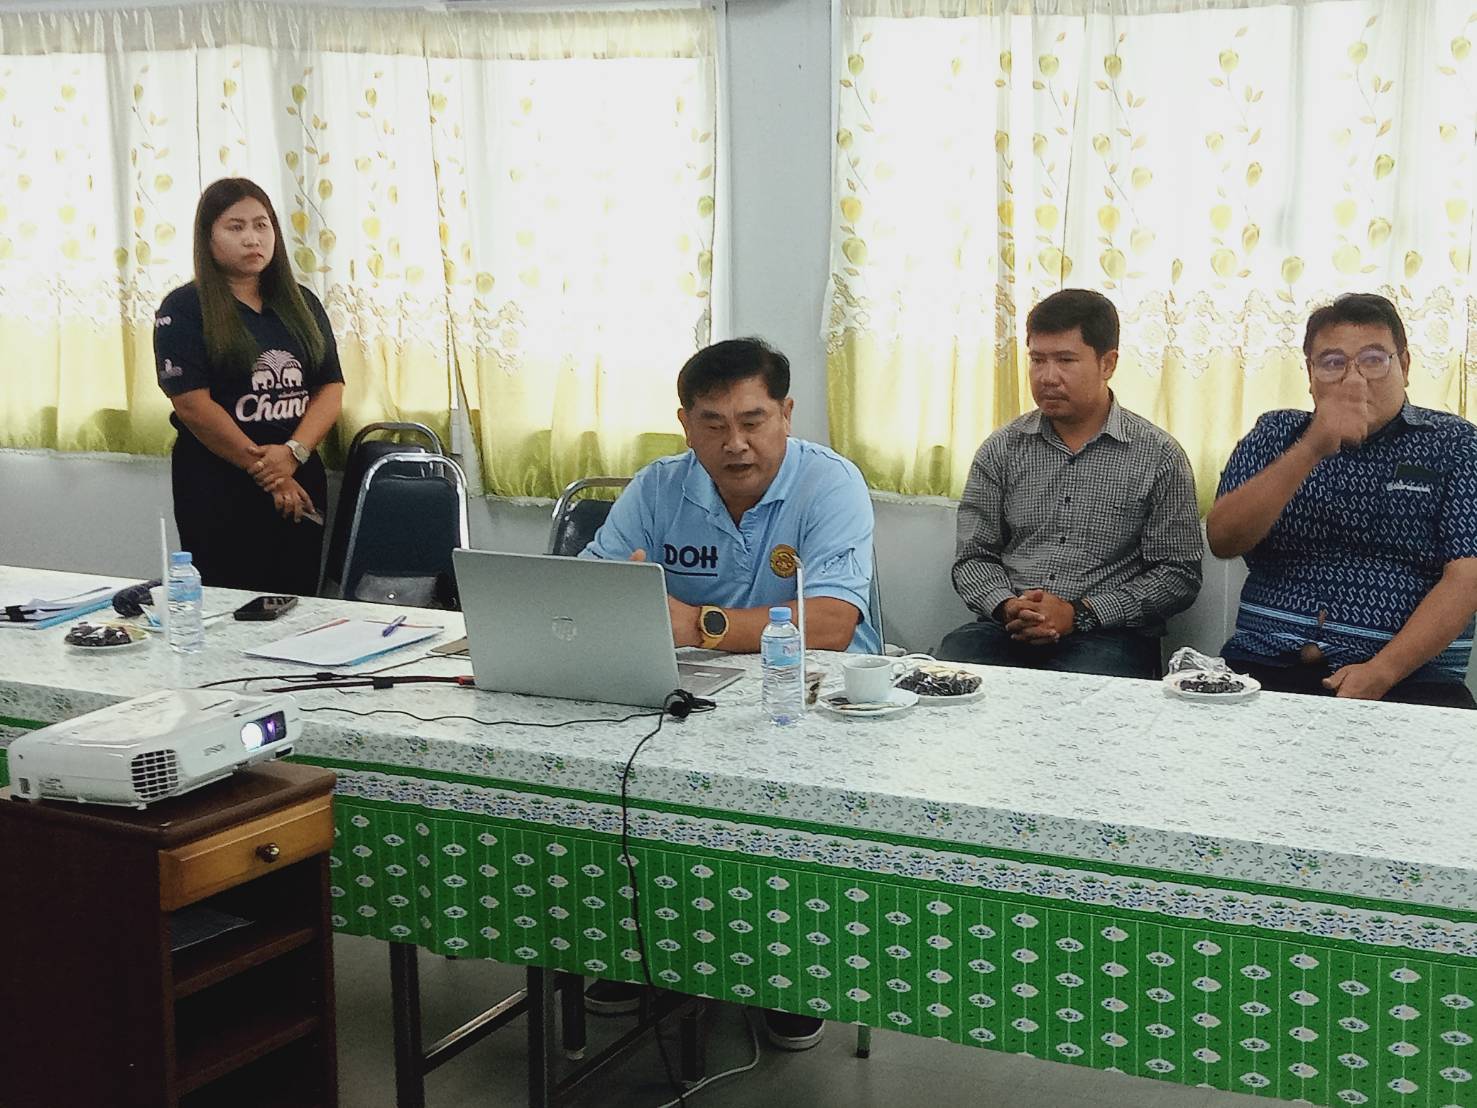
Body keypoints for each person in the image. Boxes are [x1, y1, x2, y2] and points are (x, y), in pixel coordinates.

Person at [579, 337, 878, 1051]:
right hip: (684, 689)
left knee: (788, 797)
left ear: (786, 414)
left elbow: (832, 624)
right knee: (614, 774)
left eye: (752, 421)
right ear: (685, 424)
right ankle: (647, 948)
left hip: (812, 693)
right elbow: (589, 589)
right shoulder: (658, 487)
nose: (735, 443)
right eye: (713, 424)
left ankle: (792, 971)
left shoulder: (829, 484)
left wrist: (699, 625)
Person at [1206, 292, 1477, 708]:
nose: (1354, 379)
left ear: (1404, 366)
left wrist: (1382, 670)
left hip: (1412, 679)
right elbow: (1223, 539)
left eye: (1373, 359)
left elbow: (1467, 577)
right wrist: (1312, 447)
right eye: (1333, 363)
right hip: (1263, 666)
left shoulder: (1456, 444)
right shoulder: (1276, 434)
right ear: (1310, 374)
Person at [938, 289, 1202, 678]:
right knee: (952, 663)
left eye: (1065, 360)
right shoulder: (1002, 449)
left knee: (1079, 689)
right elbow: (973, 557)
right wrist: (1008, 606)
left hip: (1108, 636)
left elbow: (1178, 575)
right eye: (1037, 360)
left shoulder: (1159, 456)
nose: (1047, 377)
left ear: (1107, 363)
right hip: (1008, 628)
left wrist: (1079, 614)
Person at [155, 178, 344, 596]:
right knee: (229, 606)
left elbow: (330, 388)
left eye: (262, 225)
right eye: (235, 227)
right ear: (208, 237)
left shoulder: (303, 303)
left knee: (297, 603)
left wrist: (293, 455)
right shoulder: (183, 309)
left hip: (299, 475)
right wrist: (273, 475)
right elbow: (192, 405)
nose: (252, 238)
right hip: (219, 484)